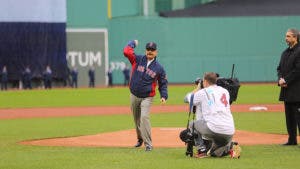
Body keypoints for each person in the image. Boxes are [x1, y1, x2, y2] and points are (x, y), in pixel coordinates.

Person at [123, 40, 168, 151]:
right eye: (148, 49)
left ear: (156, 52)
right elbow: (126, 52)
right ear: (145, 50)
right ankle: (140, 139)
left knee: (144, 118)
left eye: (152, 50)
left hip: (147, 97)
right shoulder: (138, 59)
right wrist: (132, 43)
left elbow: (163, 83)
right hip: (134, 95)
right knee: (137, 120)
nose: (150, 51)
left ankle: (148, 144)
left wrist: (164, 96)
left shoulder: (159, 68)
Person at [184, 72, 241, 158]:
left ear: (205, 81)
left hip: (213, 129)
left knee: (192, 124)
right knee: (214, 154)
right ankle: (231, 147)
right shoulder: (225, 91)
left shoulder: (203, 92)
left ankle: (201, 150)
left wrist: (198, 88)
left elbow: (186, 99)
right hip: (229, 131)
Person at [277, 28, 300, 146]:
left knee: (298, 117)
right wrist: (280, 80)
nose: (286, 38)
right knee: (289, 117)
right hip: (286, 90)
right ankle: (292, 140)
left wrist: (286, 80)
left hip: (297, 91)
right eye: (286, 36)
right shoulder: (285, 53)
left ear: (295, 38)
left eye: (288, 36)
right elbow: (279, 68)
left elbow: (298, 70)